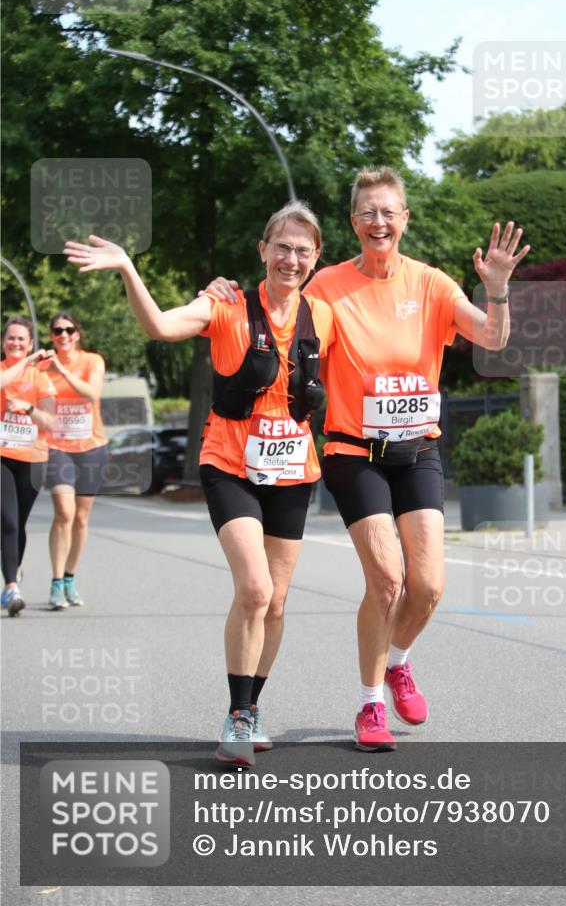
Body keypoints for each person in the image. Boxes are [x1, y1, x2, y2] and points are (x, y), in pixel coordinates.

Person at [204, 166, 529, 752]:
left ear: (405, 219)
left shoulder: (431, 284)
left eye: (388, 212)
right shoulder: (327, 285)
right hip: (354, 452)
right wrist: (224, 293)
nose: (379, 222)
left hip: (419, 450)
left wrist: (498, 289)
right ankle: (370, 703)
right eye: (368, 213)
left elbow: (492, 338)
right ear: (354, 222)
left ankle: (398, 661)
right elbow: (274, 306)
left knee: (427, 587)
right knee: (387, 579)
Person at [63, 201, 334, 766]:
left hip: (292, 469)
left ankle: (252, 707)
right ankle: (236, 715)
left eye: (303, 251)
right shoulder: (226, 304)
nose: (291, 259)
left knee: (277, 601)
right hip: (229, 463)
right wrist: (127, 267)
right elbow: (160, 326)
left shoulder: (324, 316)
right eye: (282, 247)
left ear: (315, 259)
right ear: (262, 250)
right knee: (255, 588)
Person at [43, 313, 109, 611]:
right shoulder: (43, 368)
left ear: (77, 334)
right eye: (58, 330)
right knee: (65, 512)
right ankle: (57, 582)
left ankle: (70, 577)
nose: (64, 335)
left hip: (91, 447)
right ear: (51, 335)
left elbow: (92, 394)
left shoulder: (92, 361)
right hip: (57, 448)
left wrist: (62, 371)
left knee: (81, 517)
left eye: (69, 330)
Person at [1, 317, 56, 616]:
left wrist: (29, 408)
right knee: (7, 520)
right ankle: (12, 587)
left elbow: (50, 423)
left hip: (33, 459)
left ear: (31, 343)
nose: (16, 343)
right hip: (2, 456)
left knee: (18, 522)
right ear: (3, 343)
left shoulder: (40, 378)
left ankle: (14, 571)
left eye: (21, 339)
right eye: (11, 338)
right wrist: (24, 363)